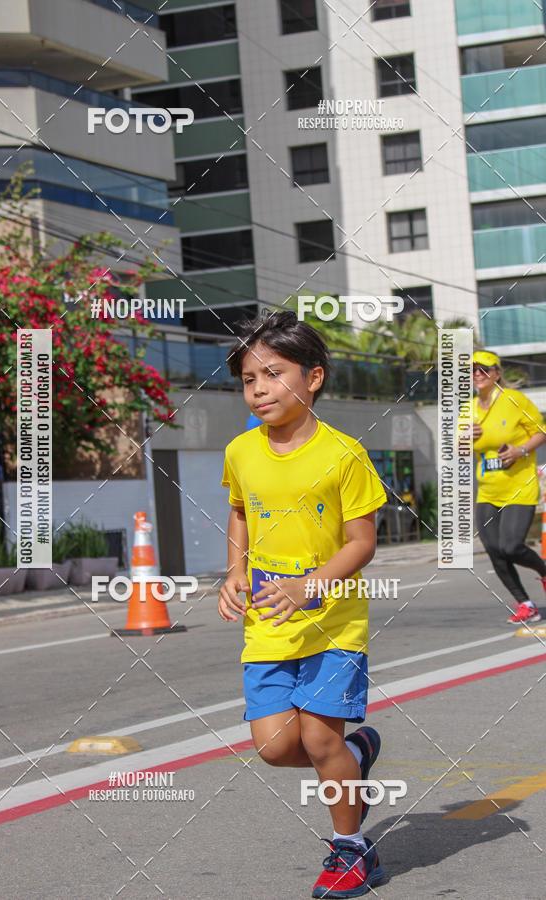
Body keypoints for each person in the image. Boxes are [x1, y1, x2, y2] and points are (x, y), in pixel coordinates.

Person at [219, 310, 388, 898]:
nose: (259, 388)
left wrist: (309, 585)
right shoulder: (241, 450)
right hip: (268, 614)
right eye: (248, 378)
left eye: (273, 373)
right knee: (273, 747)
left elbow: (362, 543)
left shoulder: (344, 455)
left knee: (318, 741)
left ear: (313, 377)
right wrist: (235, 570)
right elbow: (241, 510)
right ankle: (355, 755)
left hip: (333, 617)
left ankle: (350, 851)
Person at [472, 350, 546, 624]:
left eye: (485, 369)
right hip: (487, 491)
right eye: (473, 370)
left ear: (497, 373)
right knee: (494, 549)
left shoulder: (516, 401)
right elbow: (458, 447)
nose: (478, 374)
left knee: (512, 547)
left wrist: (520, 451)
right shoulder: (468, 409)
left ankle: (544, 570)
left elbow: (541, 432)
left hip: (519, 487)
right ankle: (526, 604)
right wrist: (464, 438)